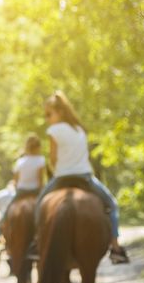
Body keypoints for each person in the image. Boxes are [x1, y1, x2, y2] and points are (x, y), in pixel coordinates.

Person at [36, 91, 129, 263]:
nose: (47, 118)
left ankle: (37, 242)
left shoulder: (54, 130)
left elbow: (53, 159)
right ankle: (115, 246)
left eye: (49, 114)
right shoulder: (80, 129)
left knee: (39, 206)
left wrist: (56, 168)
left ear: (60, 112)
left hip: (61, 178)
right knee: (112, 205)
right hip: (85, 177)